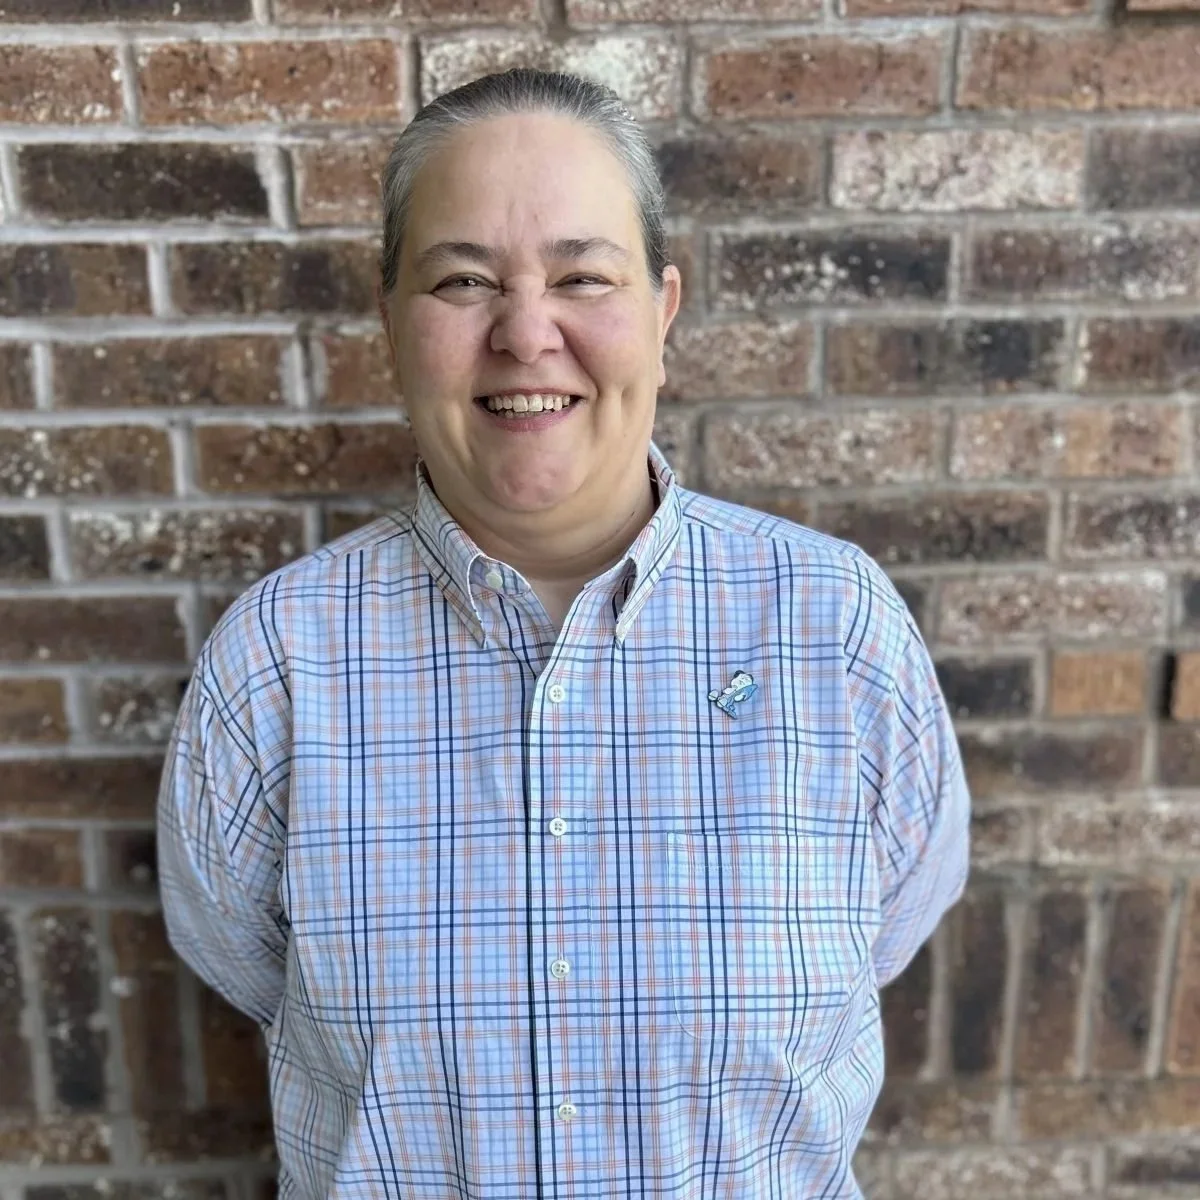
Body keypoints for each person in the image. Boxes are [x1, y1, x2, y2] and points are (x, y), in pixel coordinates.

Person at [157, 67, 970, 1200]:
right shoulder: (279, 663)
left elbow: (890, 927)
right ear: (390, 317)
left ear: (662, 311)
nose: (525, 333)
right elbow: (240, 958)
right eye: (462, 281)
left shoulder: (835, 629)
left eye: (583, 276)